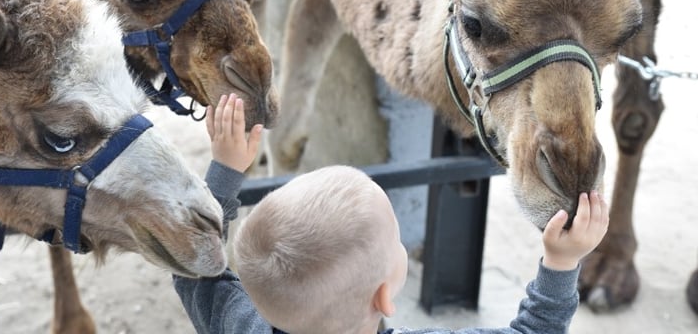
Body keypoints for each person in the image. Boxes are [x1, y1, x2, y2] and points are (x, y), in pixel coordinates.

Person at [174, 93, 609, 334]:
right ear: (384, 298)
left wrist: (225, 171)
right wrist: (562, 262)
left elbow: (194, 270)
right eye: (396, 241)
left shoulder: (236, 321)